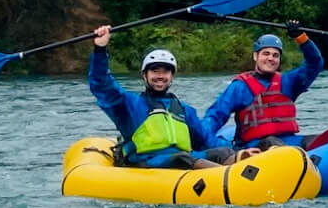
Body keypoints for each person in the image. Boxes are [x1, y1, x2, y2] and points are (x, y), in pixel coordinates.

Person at [87, 26, 237, 169]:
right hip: (148, 161)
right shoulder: (130, 104)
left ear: (172, 77)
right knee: (182, 158)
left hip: (186, 159)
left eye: (165, 72)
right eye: (154, 71)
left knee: (223, 152)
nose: (160, 76)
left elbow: (205, 140)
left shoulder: (184, 110)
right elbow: (102, 85)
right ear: (144, 75)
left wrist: (240, 149)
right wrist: (100, 49)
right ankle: (226, 181)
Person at [203, 24, 324, 152]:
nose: (270, 58)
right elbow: (215, 115)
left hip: (289, 141)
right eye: (266, 54)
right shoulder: (239, 87)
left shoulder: (288, 82)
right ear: (256, 56)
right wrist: (205, 139)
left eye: (275, 55)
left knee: (317, 140)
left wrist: (302, 39)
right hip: (254, 145)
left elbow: (315, 63)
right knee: (272, 143)